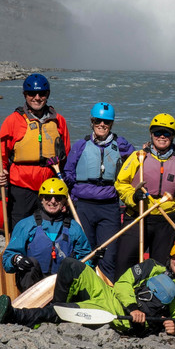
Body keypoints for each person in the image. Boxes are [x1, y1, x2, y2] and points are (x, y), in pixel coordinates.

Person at [0, 239, 175, 336]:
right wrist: (133, 307)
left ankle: (16, 315)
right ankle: (59, 311)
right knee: (70, 265)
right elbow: (122, 284)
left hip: (123, 321)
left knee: (64, 311)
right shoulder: (152, 267)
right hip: (113, 298)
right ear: (170, 258)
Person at [62, 102, 134, 280]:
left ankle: (106, 291)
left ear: (112, 124)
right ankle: (83, 289)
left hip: (109, 207)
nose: (102, 125)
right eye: (98, 121)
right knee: (85, 252)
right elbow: (69, 173)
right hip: (83, 205)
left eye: (107, 122)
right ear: (92, 122)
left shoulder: (121, 145)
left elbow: (136, 163)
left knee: (108, 256)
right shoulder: (80, 146)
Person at [114, 114, 175, 273]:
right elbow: (121, 183)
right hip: (138, 215)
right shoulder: (137, 157)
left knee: (160, 268)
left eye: (167, 133)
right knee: (124, 263)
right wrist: (133, 197)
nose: (162, 136)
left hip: (166, 221)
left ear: (173, 136)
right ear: (151, 134)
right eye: (157, 132)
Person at [0, 73, 71, 223]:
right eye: (32, 93)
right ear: (25, 95)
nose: (37, 97)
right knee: (21, 228)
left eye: (41, 93)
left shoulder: (59, 121)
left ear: (47, 94)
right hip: (21, 187)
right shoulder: (13, 121)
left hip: (50, 187)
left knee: (49, 230)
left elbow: (66, 156)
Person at [2, 178, 91, 291]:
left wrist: (94, 259)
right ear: (41, 199)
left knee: (71, 264)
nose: (52, 201)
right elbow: (7, 260)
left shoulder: (74, 228)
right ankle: (31, 306)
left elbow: (85, 257)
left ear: (64, 200)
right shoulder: (26, 225)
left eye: (58, 198)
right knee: (31, 263)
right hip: (33, 286)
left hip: (63, 286)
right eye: (48, 197)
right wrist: (16, 259)